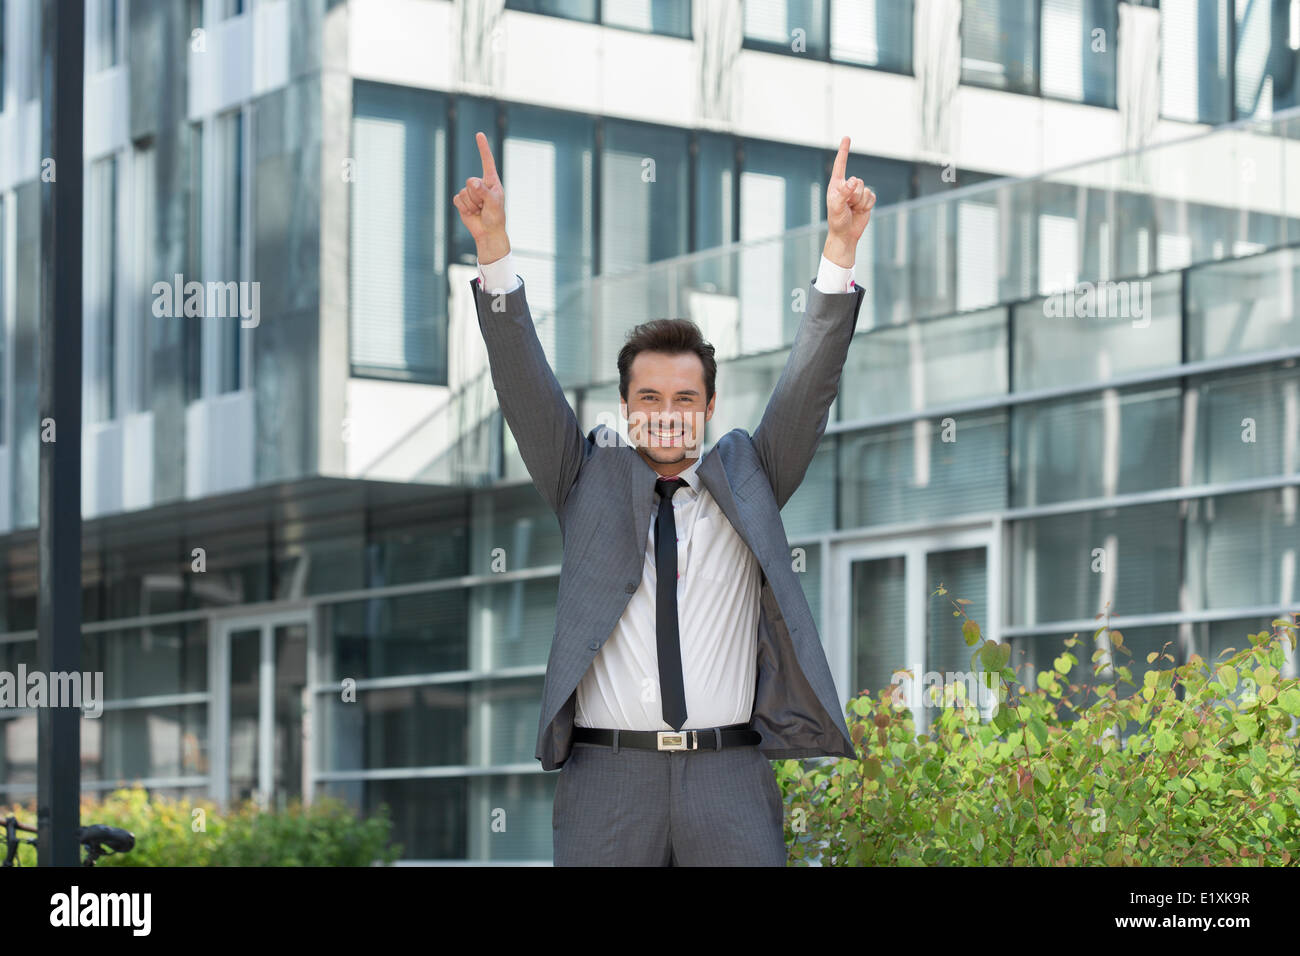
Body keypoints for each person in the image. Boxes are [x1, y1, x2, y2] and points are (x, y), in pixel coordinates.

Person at [453, 131, 875, 866]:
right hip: (609, 781)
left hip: (729, 778)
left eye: (685, 395)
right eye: (648, 395)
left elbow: (809, 384)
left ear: (710, 406)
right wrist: (495, 250)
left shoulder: (752, 475)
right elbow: (524, 386)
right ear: (625, 404)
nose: (667, 409)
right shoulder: (584, 477)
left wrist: (838, 250)